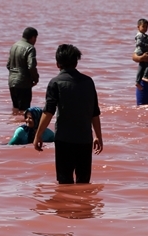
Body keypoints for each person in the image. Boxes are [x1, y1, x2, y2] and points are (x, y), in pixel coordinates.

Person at [33, 44, 103, 185]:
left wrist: (38, 135)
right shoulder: (88, 82)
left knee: (64, 183)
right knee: (84, 183)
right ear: (76, 62)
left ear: (57, 63)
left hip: (64, 140)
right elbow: (94, 112)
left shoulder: (55, 83)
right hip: (85, 139)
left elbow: (48, 112)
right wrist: (98, 137)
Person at [7, 27, 39, 114]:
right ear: (33, 37)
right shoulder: (30, 48)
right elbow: (31, 66)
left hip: (12, 82)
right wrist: (35, 78)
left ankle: (14, 122)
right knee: (24, 111)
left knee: (16, 109)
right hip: (23, 83)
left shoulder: (14, 46)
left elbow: (8, 65)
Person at [134, 18, 148, 89]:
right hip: (141, 51)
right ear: (138, 27)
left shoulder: (143, 34)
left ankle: (137, 82)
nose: (145, 28)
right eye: (143, 26)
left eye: (146, 27)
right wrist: (147, 45)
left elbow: (146, 37)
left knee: (142, 66)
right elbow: (139, 43)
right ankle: (145, 76)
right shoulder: (140, 35)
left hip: (141, 51)